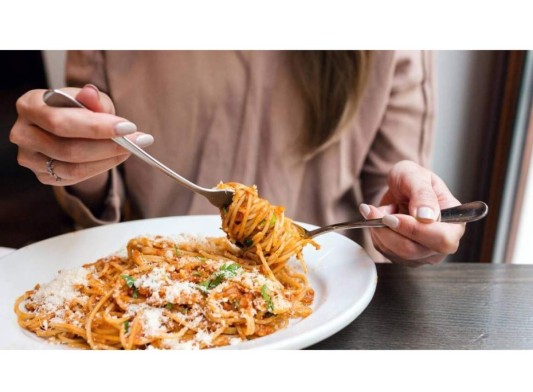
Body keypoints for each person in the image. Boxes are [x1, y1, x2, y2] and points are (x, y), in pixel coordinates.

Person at [9, 50, 465, 266]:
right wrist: (73, 155)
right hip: (157, 277)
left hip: (322, 290)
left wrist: (408, 228)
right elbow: (96, 200)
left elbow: (390, 198)